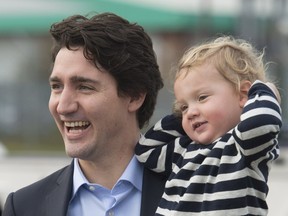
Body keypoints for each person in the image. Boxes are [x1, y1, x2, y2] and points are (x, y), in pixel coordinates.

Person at [3, 12, 165, 216]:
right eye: (57, 86)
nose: (63, 106)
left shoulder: (195, 192)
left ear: (134, 96)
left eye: (84, 87)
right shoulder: (24, 207)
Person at [135, 36, 282, 215]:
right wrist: (182, 117)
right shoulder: (185, 148)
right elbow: (145, 151)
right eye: (183, 106)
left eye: (202, 98)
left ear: (244, 95)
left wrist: (264, 91)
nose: (190, 112)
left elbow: (261, 122)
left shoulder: (245, 147)